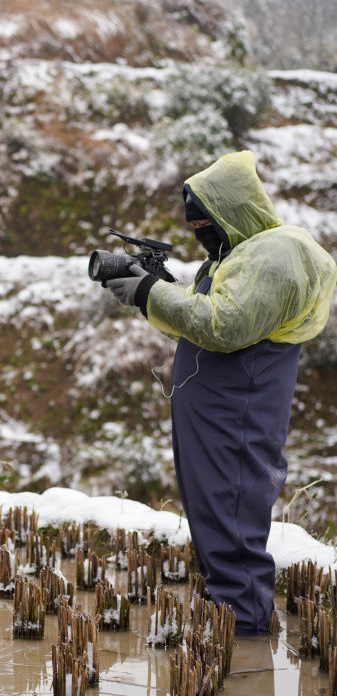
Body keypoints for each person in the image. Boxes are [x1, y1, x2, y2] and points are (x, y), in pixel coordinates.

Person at [104, 150, 337, 636]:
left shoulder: (276, 252)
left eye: (205, 223)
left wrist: (145, 289)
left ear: (233, 210)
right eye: (194, 228)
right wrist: (147, 289)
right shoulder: (235, 259)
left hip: (236, 415)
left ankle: (246, 640)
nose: (200, 234)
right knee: (213, 512)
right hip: (212, 416)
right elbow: (194, 317)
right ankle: (229, 622)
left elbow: (222, 326)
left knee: (232, 516)